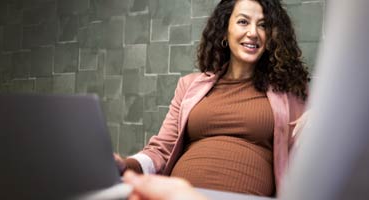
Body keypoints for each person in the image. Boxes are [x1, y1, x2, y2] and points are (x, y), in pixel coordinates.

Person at [115, 0, 309, 197]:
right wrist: (126, 164)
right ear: (225, 30)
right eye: (243, 22)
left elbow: (316, 148)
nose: (253, 32)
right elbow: (161, 150)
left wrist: (324, 118)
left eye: (263, 25)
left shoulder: (290, 91)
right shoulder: (189, 86)